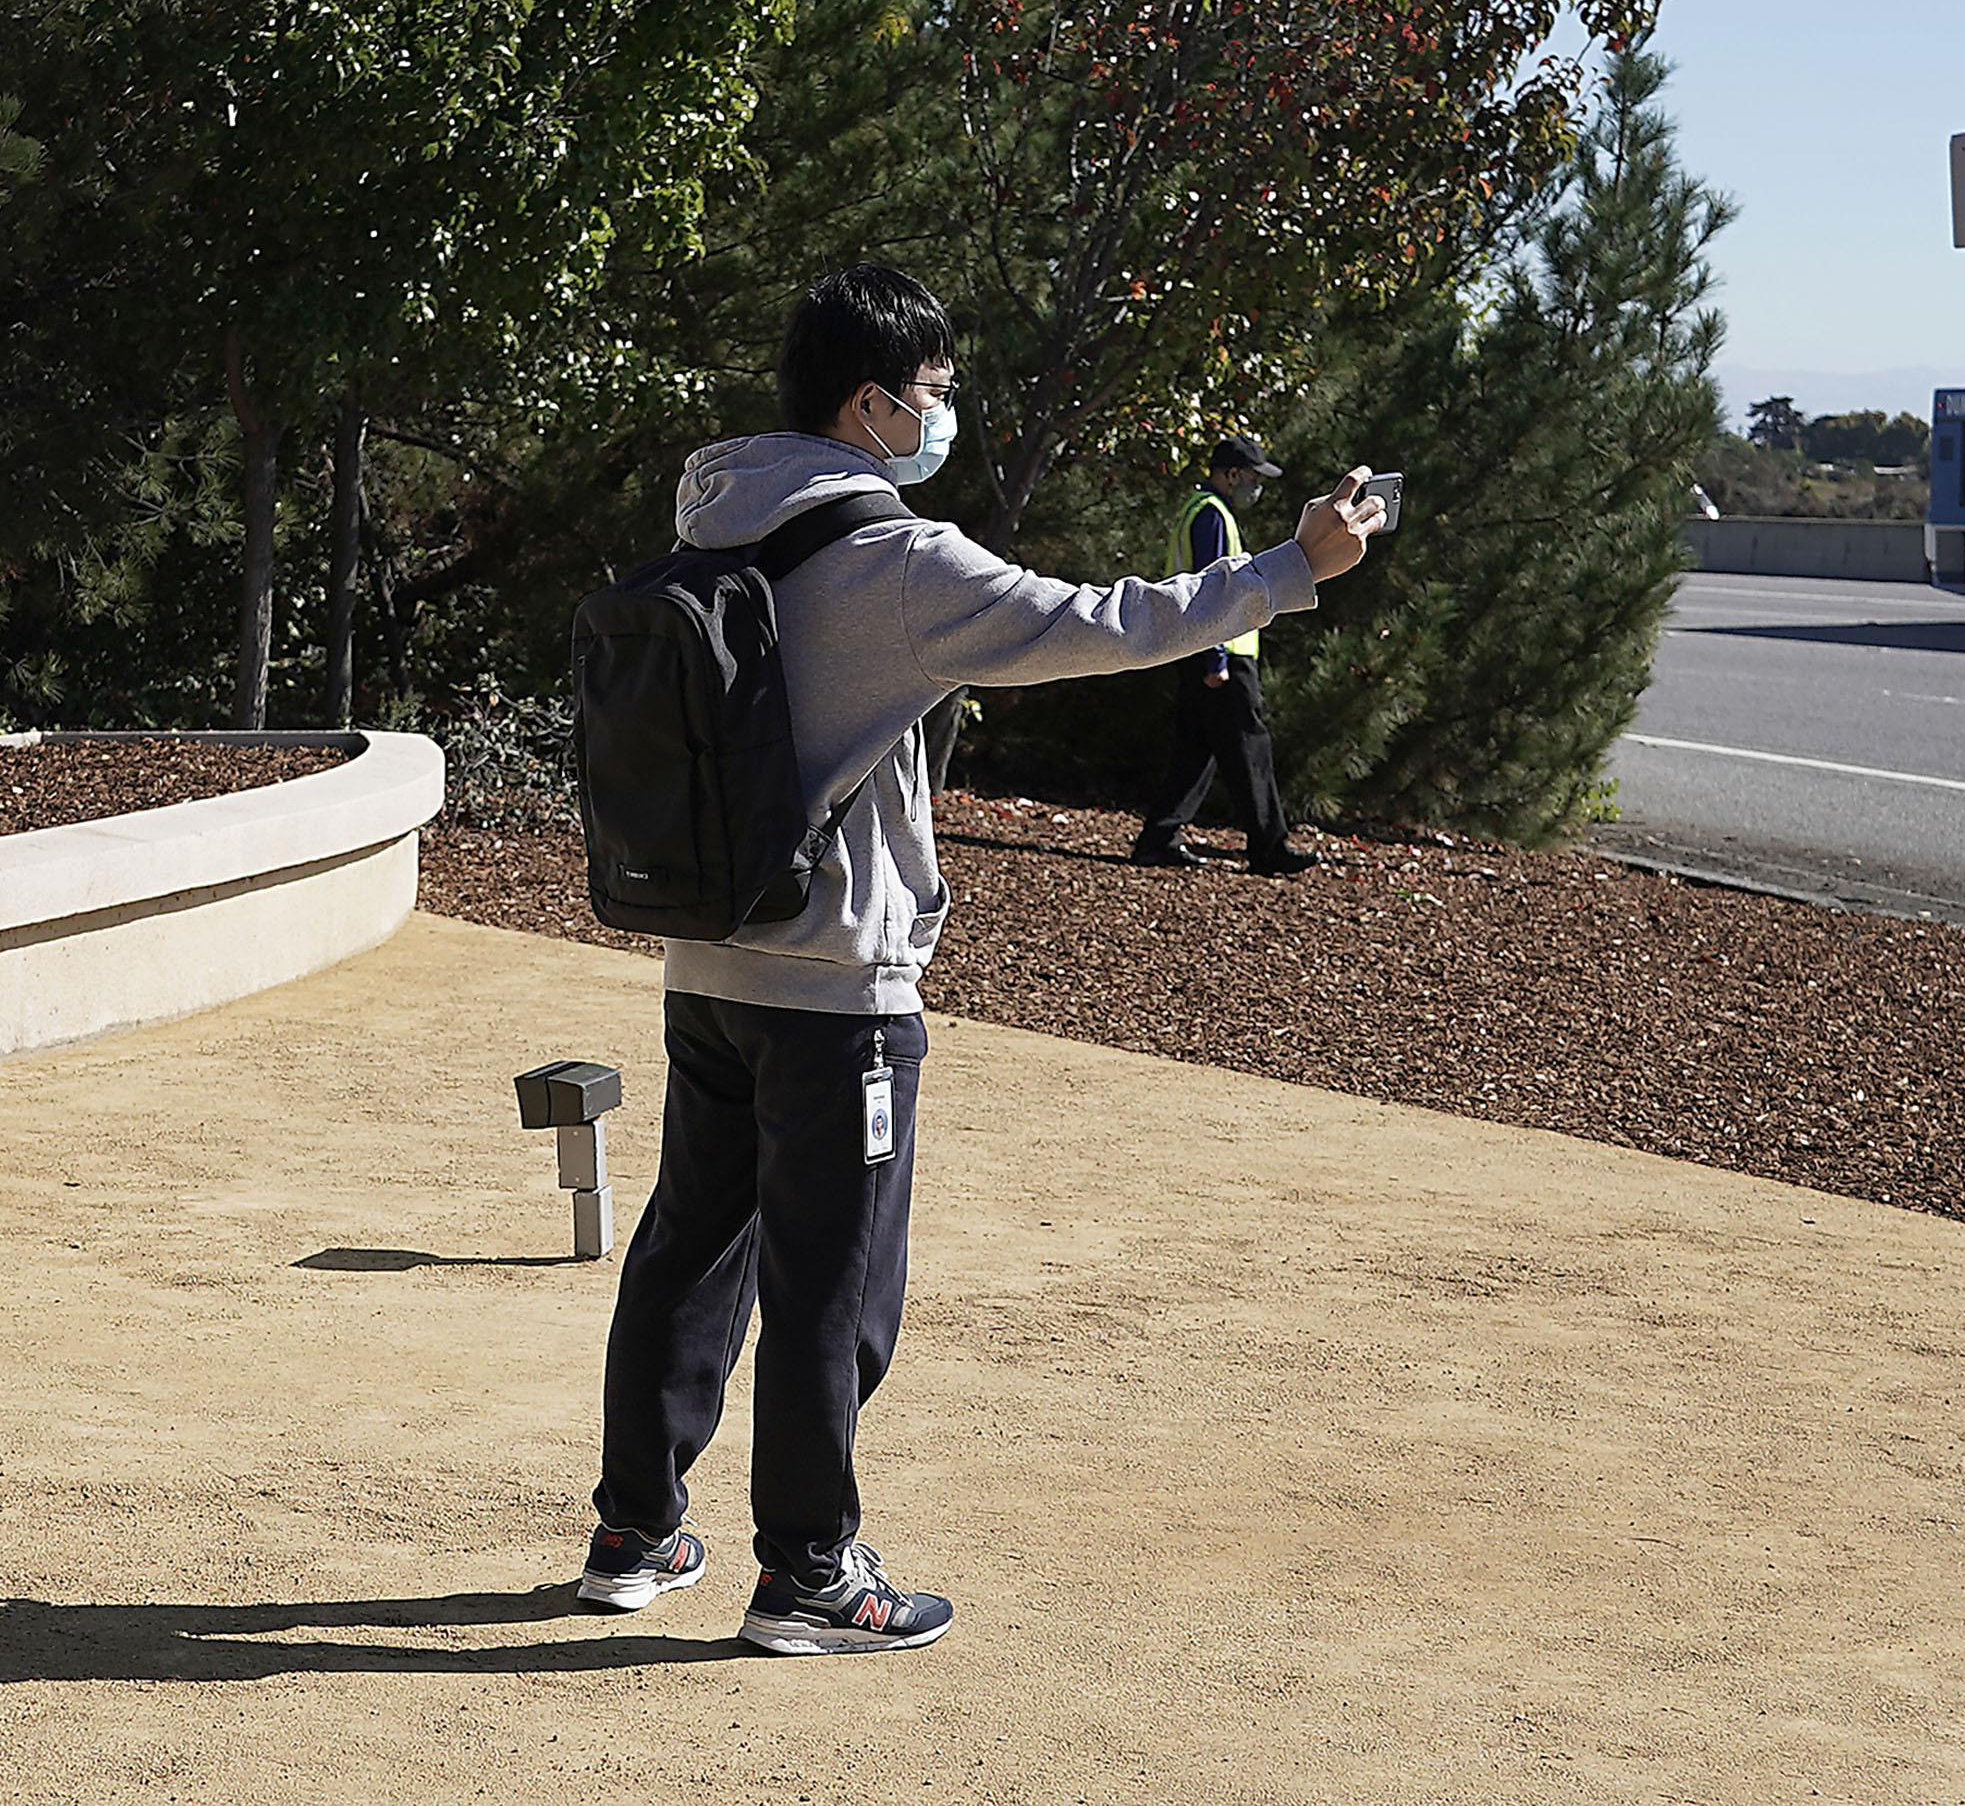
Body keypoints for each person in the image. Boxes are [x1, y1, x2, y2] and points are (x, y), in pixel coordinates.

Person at [572, 264, 1387, 1654]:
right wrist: (1291, 569)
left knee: (690, 1249)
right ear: (870, 402)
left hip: (707, 960)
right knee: (835, 1282)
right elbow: (1099, 624)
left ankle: (636, 1532)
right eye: (935, 397)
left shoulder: (715, 523)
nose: (945, 418)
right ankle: (814, 1573)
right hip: (839, 986)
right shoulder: (897, 564)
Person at [1134, 434, 1319, 875]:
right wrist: (1216, 658)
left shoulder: (1199, 509)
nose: (1256, 487)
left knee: (1195, 749)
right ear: (1231, 474)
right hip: (1222, 653)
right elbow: (1212, 589)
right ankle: (1269, 848)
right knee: (1248, 747)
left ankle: (1159, 839)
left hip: (1196, 647)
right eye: (1252, 477)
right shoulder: (1212, 515)